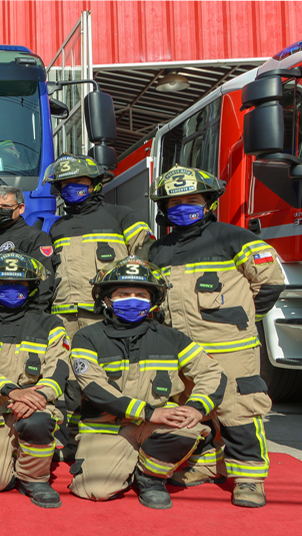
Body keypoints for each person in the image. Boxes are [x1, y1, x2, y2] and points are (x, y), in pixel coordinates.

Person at [148, 166, 285, 508]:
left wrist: (243, 321)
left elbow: (271, 282)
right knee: (189, 412)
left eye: (191, 200)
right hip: (182, 352)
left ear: (207, 202)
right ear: (163, 208)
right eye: (174, 202)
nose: (183, 207)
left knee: (237, 411)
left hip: (231, 348)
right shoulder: (157, 251)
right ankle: (209, 467)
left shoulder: (234, 238)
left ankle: (250, 479)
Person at [68, 256, 226, 509]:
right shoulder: (87, 337)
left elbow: (212, 372)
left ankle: (151, 477)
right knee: (95, 490)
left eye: (141, 294)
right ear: (106, 299)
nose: (133, 299)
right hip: (108, 426)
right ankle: (125, 462)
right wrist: (148, 412)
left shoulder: (172, 338)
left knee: (185, 427)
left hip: (159, 423)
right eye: (123, 293)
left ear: (153, 300)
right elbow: (94, 387)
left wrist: (197, 407)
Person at [44, 154, 154, 461]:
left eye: (78, 183)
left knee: (111, 379)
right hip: (64, 318)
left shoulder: (123, 216)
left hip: (107, 319)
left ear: (95, 184)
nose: (71, 189)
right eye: (64, 185)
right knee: (70, 383)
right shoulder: (57, 227)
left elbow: (145, 262)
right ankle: (77, 442)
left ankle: (120, 440)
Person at [0, 252, 69, 508]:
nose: (12, 290)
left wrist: (38, 398)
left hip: (35, 408)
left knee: (38, 422)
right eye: (3, 284)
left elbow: (59, 370)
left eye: (20, 284)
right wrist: (14, 392)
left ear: (31, 287)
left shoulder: (51, 324)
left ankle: (35, 479)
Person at [0, 185, 54, 313]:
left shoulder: (36, 238)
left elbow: (44, 285)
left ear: (21, 208)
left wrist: (34, 318)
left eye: (6, 207)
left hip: (18, 319)